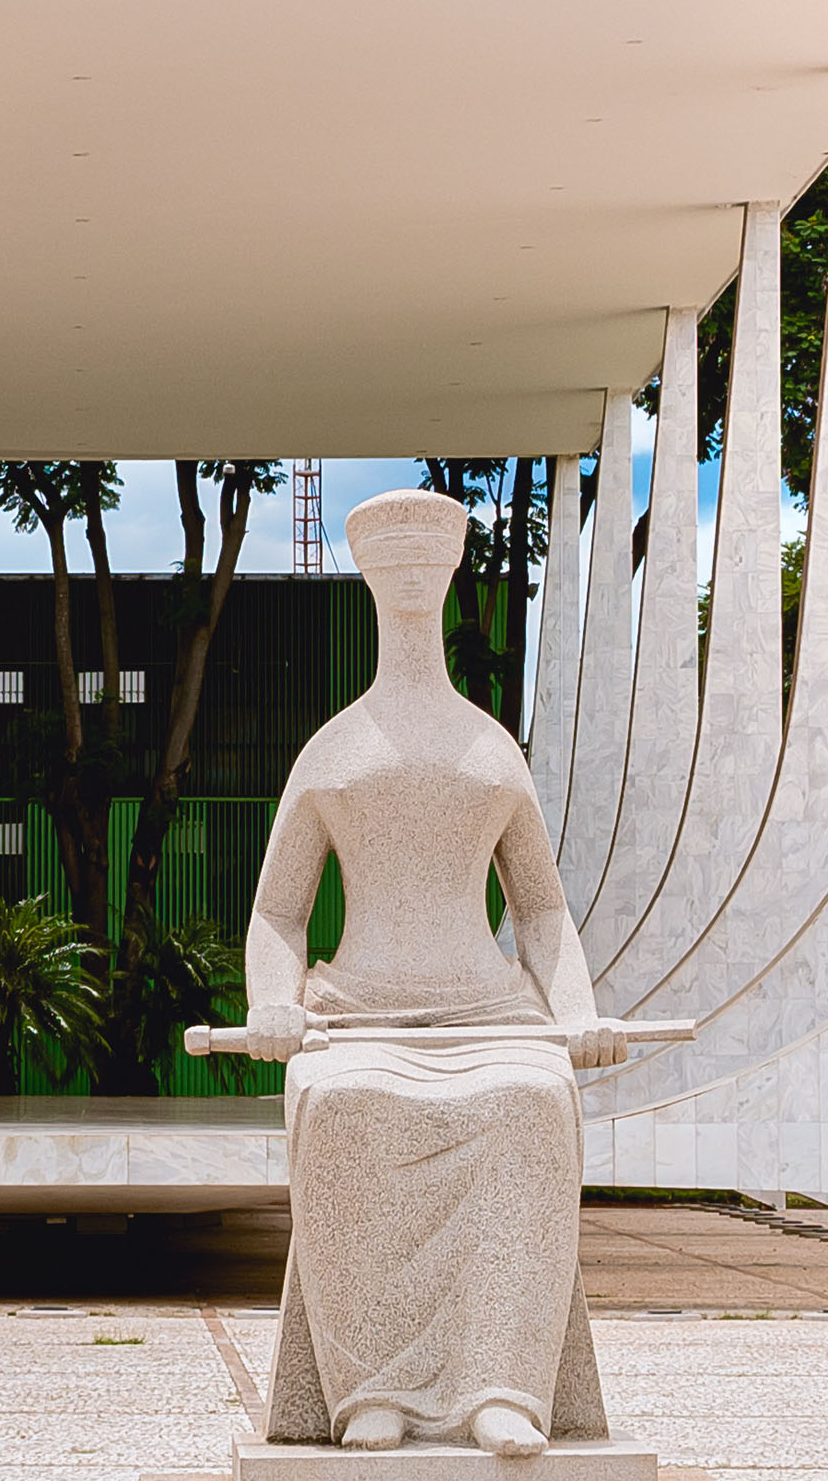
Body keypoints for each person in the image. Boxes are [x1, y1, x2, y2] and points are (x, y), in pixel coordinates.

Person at [244, 488, 624, 1457]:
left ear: (451, 570)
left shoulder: (492, 751)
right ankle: (372, 1389)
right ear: (368, 576)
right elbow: (277, 912)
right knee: (339, 1107)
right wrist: (272, 1002)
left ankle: (502, 1385)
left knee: (535, 1101)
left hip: (488, 1016)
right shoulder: (332, 751)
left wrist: (575, 1011)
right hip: (356, 1018)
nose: (412, 572)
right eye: (394, 558)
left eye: (429, 556)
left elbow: (541, 910)